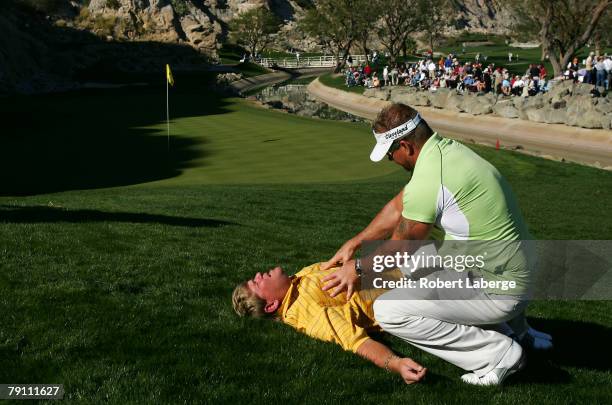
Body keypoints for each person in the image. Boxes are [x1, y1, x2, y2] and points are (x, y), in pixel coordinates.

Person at [319, 103, 551, 386]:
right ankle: (521, 332)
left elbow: (401, 248)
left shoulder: (429, 178)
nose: (392, 159)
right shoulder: (445, 152)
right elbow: (398, 207)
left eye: (391, 153)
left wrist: (357, 268)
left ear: (405, 146)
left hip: (503, 290)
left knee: (389, 311)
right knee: (427, 262)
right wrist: (355, 242)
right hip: (519, 271)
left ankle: (498, 355)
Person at [232, 264, 427, 384]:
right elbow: (354, 340)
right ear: (272, 305)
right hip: (411, 289)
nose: (258, 275)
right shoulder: (309, 313)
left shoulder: (298, 278)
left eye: (253, 279)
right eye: (256, 284)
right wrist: (395, 363)